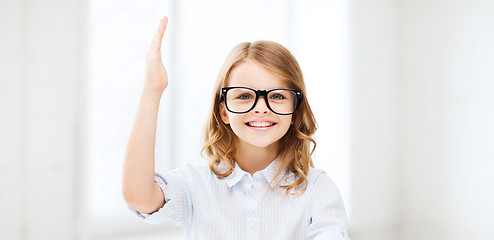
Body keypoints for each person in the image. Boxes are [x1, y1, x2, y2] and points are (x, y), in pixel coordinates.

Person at [122, 16, 350, 239]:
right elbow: (138, 196)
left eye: (278, 95)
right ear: (224, 111)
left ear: (295, 112)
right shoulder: (194, 185)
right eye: (244, 95)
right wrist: (153, 90)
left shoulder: (318, 190)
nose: (261, 108)